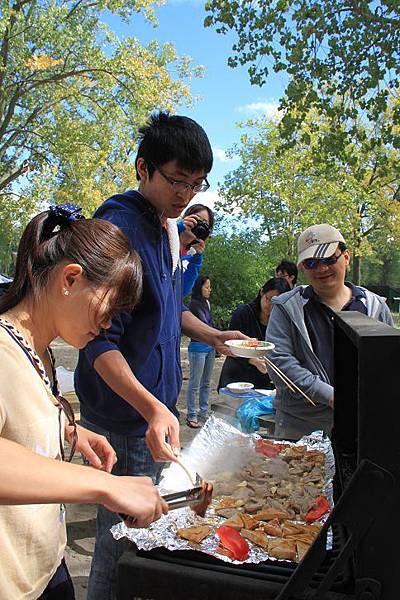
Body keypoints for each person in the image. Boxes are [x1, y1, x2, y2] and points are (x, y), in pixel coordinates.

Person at [74, 112, 246, 599]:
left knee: (142, 534)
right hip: (126, 422)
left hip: (151, 415)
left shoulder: (166, 227)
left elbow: (166, 314)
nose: (185, 194)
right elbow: (97, 341)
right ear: (142, 168)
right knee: (120, 541)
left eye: (195, 184)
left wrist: (213, 335)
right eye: (175, 180)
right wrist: (151, 407)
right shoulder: (118, 231)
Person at [0, 204, 167, 600]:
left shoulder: (38, 349)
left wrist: (71, 432)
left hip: (45, 571)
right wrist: (103, 486)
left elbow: (18, 418)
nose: (108, 325)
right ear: (71, 279)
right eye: (109, 309)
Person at [267, 224, 394, 440]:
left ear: (346, 257)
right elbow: (279, 363)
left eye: (329, 259)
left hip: (362, 424)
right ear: (303, 268)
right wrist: (331, 396)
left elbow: (389, 361)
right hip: (300, 425)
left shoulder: (375, 306)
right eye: (311, 263)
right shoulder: (286, 307)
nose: (321, 269)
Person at [218, 277, 290, 391]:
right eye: (269, 299)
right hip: (237, 379)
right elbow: (231, 347)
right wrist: (252, 360)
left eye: (277, 304)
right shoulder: (243, 313)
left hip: (263, 384)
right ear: (262, 292)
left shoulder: (280, 322)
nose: (271, 306)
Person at [186, 275, 216, 428]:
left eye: (209, 287)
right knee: (195, 383)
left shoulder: (207, 303)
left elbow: (210, 323)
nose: (209, 290)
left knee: (206, 383)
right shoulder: (192, 305)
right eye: (206, 287)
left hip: (210, 347)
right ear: (199, 287)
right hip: (198, 348)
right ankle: (191, 415)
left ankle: (203, 413)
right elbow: (203, 325)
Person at [178, 204, 214, 297]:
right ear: (186, 217)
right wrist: (179, 227)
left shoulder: (191, 257)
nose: (199, 225)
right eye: (197, 219)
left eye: (204, 223)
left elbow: (182, 291)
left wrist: (196, 259)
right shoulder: (167, 235)